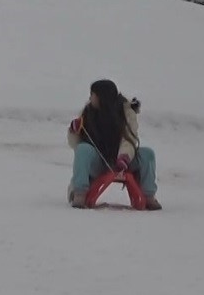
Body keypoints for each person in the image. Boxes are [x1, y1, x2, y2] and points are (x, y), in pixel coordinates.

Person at [68, 79, 159, 209]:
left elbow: (129, 139)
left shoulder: (127, 111)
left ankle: (149, 196)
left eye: (92, 94)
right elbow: (75, 145)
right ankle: (79, 193)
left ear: (102, 97)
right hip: (99, 162)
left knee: (147, 154)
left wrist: (124, 157)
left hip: (124, 161)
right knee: (83, 149)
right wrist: (73, 131)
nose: (90, 97)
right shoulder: (87, 112)